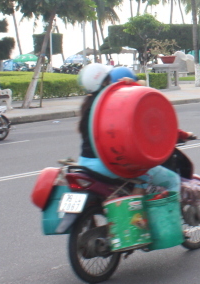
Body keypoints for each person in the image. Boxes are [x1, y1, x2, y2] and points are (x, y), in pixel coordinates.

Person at [75, 64, 182, 194]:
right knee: (168, 180)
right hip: (105, 165)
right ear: (105, 81)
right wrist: (130, 87)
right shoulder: (111, 104)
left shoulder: (88, 105)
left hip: (85, 162)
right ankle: (137, 213)